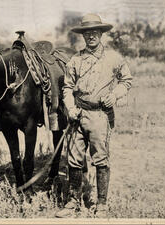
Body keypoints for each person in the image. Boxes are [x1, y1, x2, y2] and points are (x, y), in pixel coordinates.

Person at [55, 13, 132, 218]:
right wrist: (70, 108)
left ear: (101, 34)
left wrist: (115, 95)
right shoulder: (75, 60)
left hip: (100, 115)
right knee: (74, 160)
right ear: (83, 36)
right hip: (78, 114)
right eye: (87, 33)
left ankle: (102, 204)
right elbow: (67, 87)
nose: (91, 36)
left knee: (100, 160)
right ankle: (72, 202)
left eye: (95, 32)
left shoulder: (114, 58)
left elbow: (126, 81)